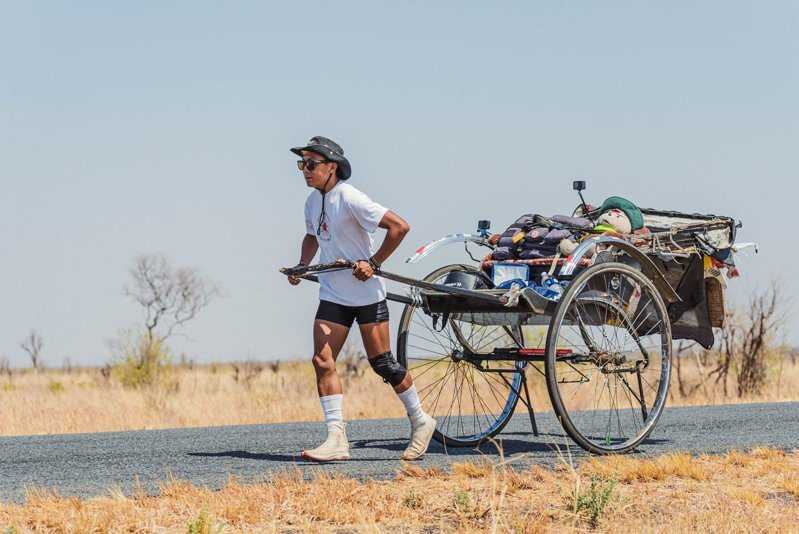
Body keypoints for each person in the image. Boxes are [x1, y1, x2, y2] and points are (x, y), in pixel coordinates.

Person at [287, 136, 436, 462]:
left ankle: (421, 420)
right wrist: (302, 264)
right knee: (321, 360)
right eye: (302, 164)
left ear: (332, 167)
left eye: (311, 164)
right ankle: (337, 439)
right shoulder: (312, 202)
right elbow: (312, 235)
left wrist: (375, 262)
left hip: (366, 294)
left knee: (381, 362)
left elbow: (399, 227)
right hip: (333, 293)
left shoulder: (350, 197)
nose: (305, 171)